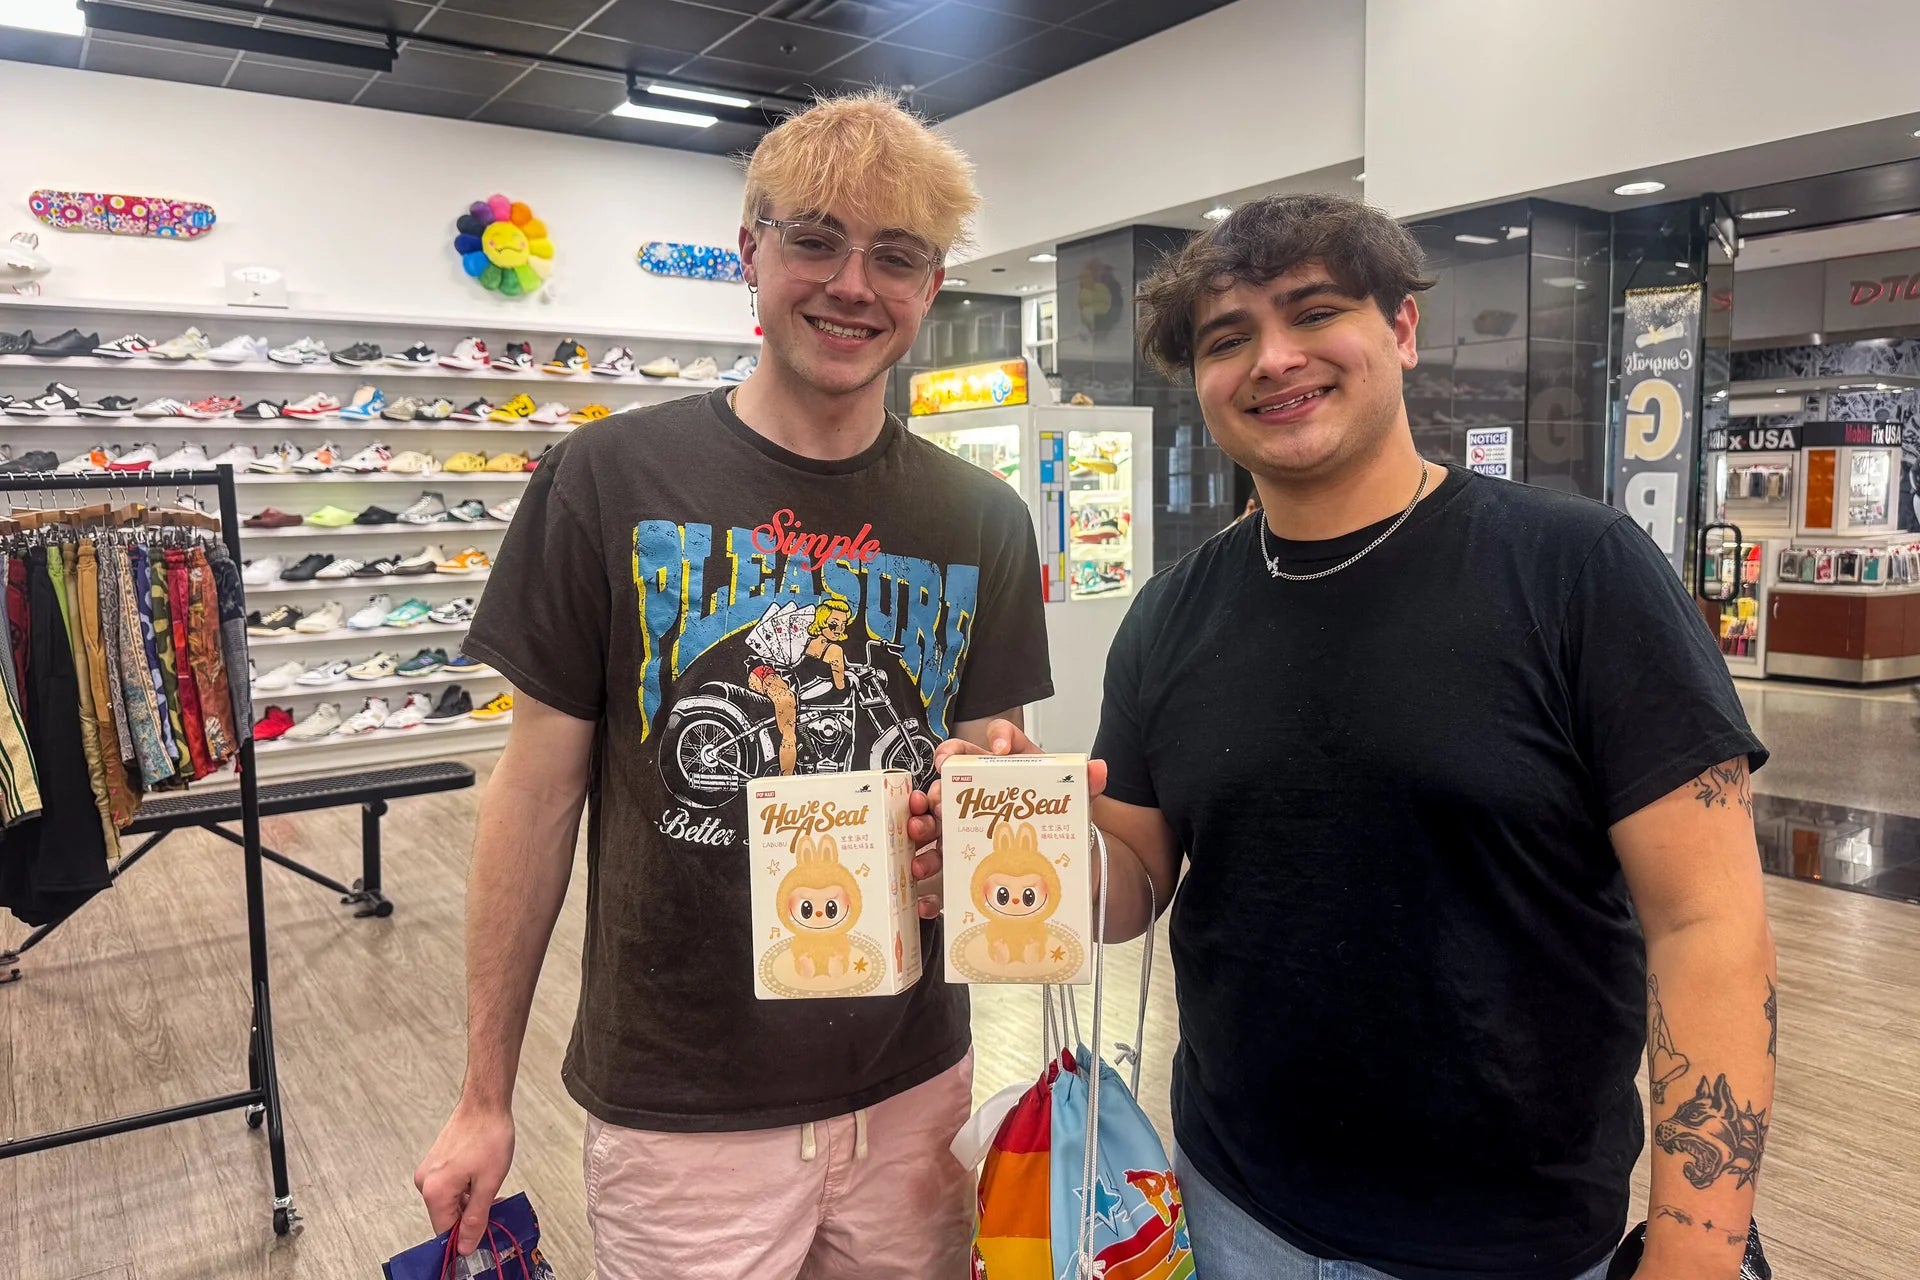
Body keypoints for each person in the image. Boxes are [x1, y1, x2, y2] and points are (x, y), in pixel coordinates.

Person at [934, 194, 1777, 1280]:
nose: (1272, 359)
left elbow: (1708, 925)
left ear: (1403, 329)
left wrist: (1695, 1250)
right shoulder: (1172, 613)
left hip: (1509, 1242)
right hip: (1226, 1209)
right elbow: (1133, 878)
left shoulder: (1580, 572)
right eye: (1227, 339)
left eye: (1314, 312)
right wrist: (1016, 827)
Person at [414, 92, 1053, 1279]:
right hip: (683, 1102)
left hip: (916, 1089)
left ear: (931, 284)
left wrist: (980, 811)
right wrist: (482, 1093)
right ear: (749, 251)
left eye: (895, 256)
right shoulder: (605, 477)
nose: (852, 285)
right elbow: (537, 793)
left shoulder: (986, 517)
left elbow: (988, 757)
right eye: (816, 240)